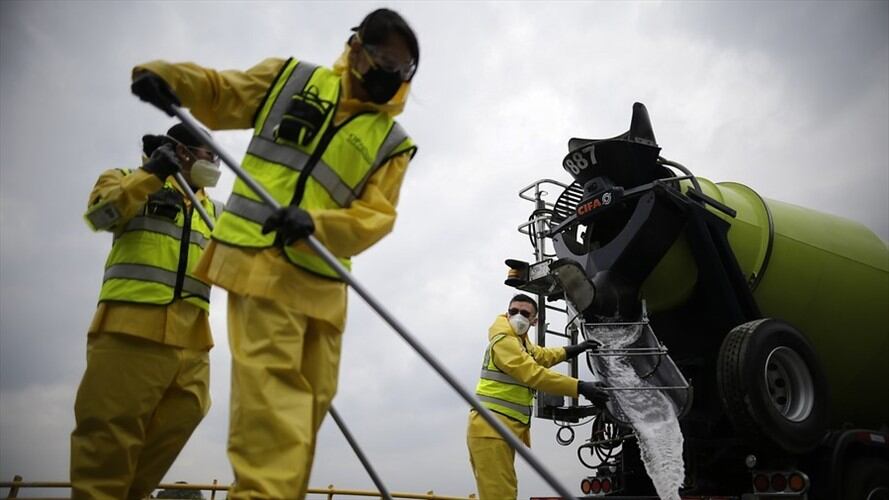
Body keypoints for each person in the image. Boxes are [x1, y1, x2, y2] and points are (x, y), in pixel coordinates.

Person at [130, 8, 419, 499]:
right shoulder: (292, 79)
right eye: (383, 57)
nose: (392, 72)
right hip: (260, 266)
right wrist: (167, 77)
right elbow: (222, 93)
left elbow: (377, 217)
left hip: (325, 290)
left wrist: (318, 224)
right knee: (272, 421)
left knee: (305, 419)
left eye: (403, 66)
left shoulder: (393, 142)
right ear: (355, 48)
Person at [71, 124, 223, 500]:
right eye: (209, 155)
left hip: (192, 342)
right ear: (183, 152)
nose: (216, 164)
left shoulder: (215, 211)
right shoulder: (125, 178)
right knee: (108, 439)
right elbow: (99, 216)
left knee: (186, 415)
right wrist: (151, 175)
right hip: (129, 329)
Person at [467, 293, 610, 500]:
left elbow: (542, 356)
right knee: (499, 495)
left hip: (499, 428)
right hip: (490, 428)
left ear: (534, 321)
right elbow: (533, 373)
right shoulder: (504, 341)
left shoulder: (520, 342)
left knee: (505, 490)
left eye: (524, 313)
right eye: (513, 311)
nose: (518, 316)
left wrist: (574, 349)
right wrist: (579, 387)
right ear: (507, 313)